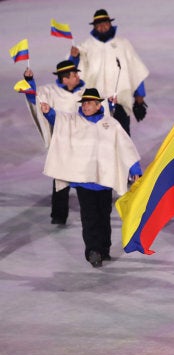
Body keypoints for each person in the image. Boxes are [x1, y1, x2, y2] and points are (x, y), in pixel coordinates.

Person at [40, 88, 142, 267]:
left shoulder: (110, 124)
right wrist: (49, 112)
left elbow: (125, 146)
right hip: (84, 181)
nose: (85, 106)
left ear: (98, 105)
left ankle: (104, 249)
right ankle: (93, 251)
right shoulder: (73, 121)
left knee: (104, 216)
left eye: (89, 103)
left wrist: (135, 168)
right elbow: (59, 119)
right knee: (89, 218)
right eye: (84, 103)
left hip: (104, 181)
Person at [21, 60, 87, 225]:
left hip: (84, 143)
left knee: (86, 179)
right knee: (61, 179)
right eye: (74, 74)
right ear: (65, 79)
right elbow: (34, 97)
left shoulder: (86, 91)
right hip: (62, 143)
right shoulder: (50, 92)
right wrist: (29, 81)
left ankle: (89, 212)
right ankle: (59, 215)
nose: (78, 76)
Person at [69, 9, 149, 136]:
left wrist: (139, 98)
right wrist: (74, 57)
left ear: (110, 24)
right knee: (99, 138)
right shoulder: (86, 47)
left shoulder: (123, 44)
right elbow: (73, 72)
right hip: (96, 103)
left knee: (122, 136)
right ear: (94, 27)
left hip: (120, 101)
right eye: (99, 24)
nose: (102, 27)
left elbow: (135, 70)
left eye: (105, 23)